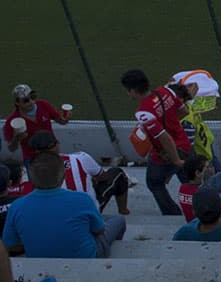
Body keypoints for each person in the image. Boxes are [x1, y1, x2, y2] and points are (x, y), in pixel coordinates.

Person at [3, 152, 126, 258]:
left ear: (31, 178)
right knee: (118, 219)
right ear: (63, 176)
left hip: (38, 258)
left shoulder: (17, 205)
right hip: (87, 257)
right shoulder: (82, 199)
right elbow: (99, 230)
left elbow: (11, 244)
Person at [121, 69, 191, 215]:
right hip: (184, 144)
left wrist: (176, 160)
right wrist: (171, 124)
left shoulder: (143, 112)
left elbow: (164, 137)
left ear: (133, 90)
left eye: (128, 91)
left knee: (154, 182)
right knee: (190, 181)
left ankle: (173, 215)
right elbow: (184, 111)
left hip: (165, 154)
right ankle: (198, 209)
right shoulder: (167, 92)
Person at [28, 130, 130, 215]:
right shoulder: (80, 158)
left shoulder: (34, 168)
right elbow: (103, 177)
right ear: (57, 143)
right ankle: (123, 210)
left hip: (53, 214)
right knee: (117, 173)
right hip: (85, 214)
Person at [4, 84, 69, 165]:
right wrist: (17, 138)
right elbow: (11, 148)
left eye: (32, 96)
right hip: (32, 158)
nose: (31, 101)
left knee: (57, 176)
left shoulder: (43, 105)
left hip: (52, 151)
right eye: (26, 100)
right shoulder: (12, 121)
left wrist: (65, 119)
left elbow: (61, 121)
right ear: (17, 103)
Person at [176, 154, 211, 222]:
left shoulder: (182, 188)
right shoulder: (204, 192)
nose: (211, 169)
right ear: (198, 173)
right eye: (207, 167)